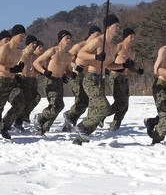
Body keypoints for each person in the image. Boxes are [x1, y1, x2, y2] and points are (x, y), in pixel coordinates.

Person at [73, 14, 132, 145]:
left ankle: (79, 139)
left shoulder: (113, 46)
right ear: (108, 26)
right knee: (103, 107)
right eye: (116, 26)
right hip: (90, 78)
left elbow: (109, 65)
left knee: (95, 111)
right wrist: (96, 56)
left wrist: (123, 65)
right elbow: (81, 53)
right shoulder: (99, 41)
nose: (118, 28)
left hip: (101, 79)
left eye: (119, 26)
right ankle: (82, 126)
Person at [33, 30, 75, 136]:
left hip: (59, 82)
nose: (69, 41)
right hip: (50, 80)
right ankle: (40, 116)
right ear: (60, 40)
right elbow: (36, 63)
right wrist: (44, 72)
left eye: (70, 38)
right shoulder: (52, 51)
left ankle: (43, 129)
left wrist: (70, 75)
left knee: (59, 106)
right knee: (55, 105)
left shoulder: (68, 56)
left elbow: (67, 70)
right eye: (67, 38)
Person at [62, 26, 102, 132]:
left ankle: (68, 124)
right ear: (91, 34)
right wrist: (74, 66)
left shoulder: (96, 48)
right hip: (76, 76)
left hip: (86, 76)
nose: (98, 37)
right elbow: (66, 59)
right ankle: (69, 115)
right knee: (82, 101)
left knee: (84, 103)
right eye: (97, 34)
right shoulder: (79, 46)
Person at [107, 28, 144, 131]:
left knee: (125, 106)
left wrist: (137, 71)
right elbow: (108, 65)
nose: (133, 39)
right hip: (115, 76)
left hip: (124, 77)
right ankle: (102, 114)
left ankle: (114, 127)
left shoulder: (132, 52)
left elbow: (129, 67)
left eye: (134, 37)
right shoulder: (117, 47)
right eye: (131, 36)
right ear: (125, 37)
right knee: (120, 103)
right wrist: (122, 65)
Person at [14, 34, 40, 130]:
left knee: (34, 99)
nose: (34, 45)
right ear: (28, 43)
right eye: (32, 43)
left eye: (35, 43)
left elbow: (36, 68)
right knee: (23, 102)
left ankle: (21, 118)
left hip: (30, 80)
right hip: (21, 79)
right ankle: (16, 120)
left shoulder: (34, 57)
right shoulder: (21, 54)